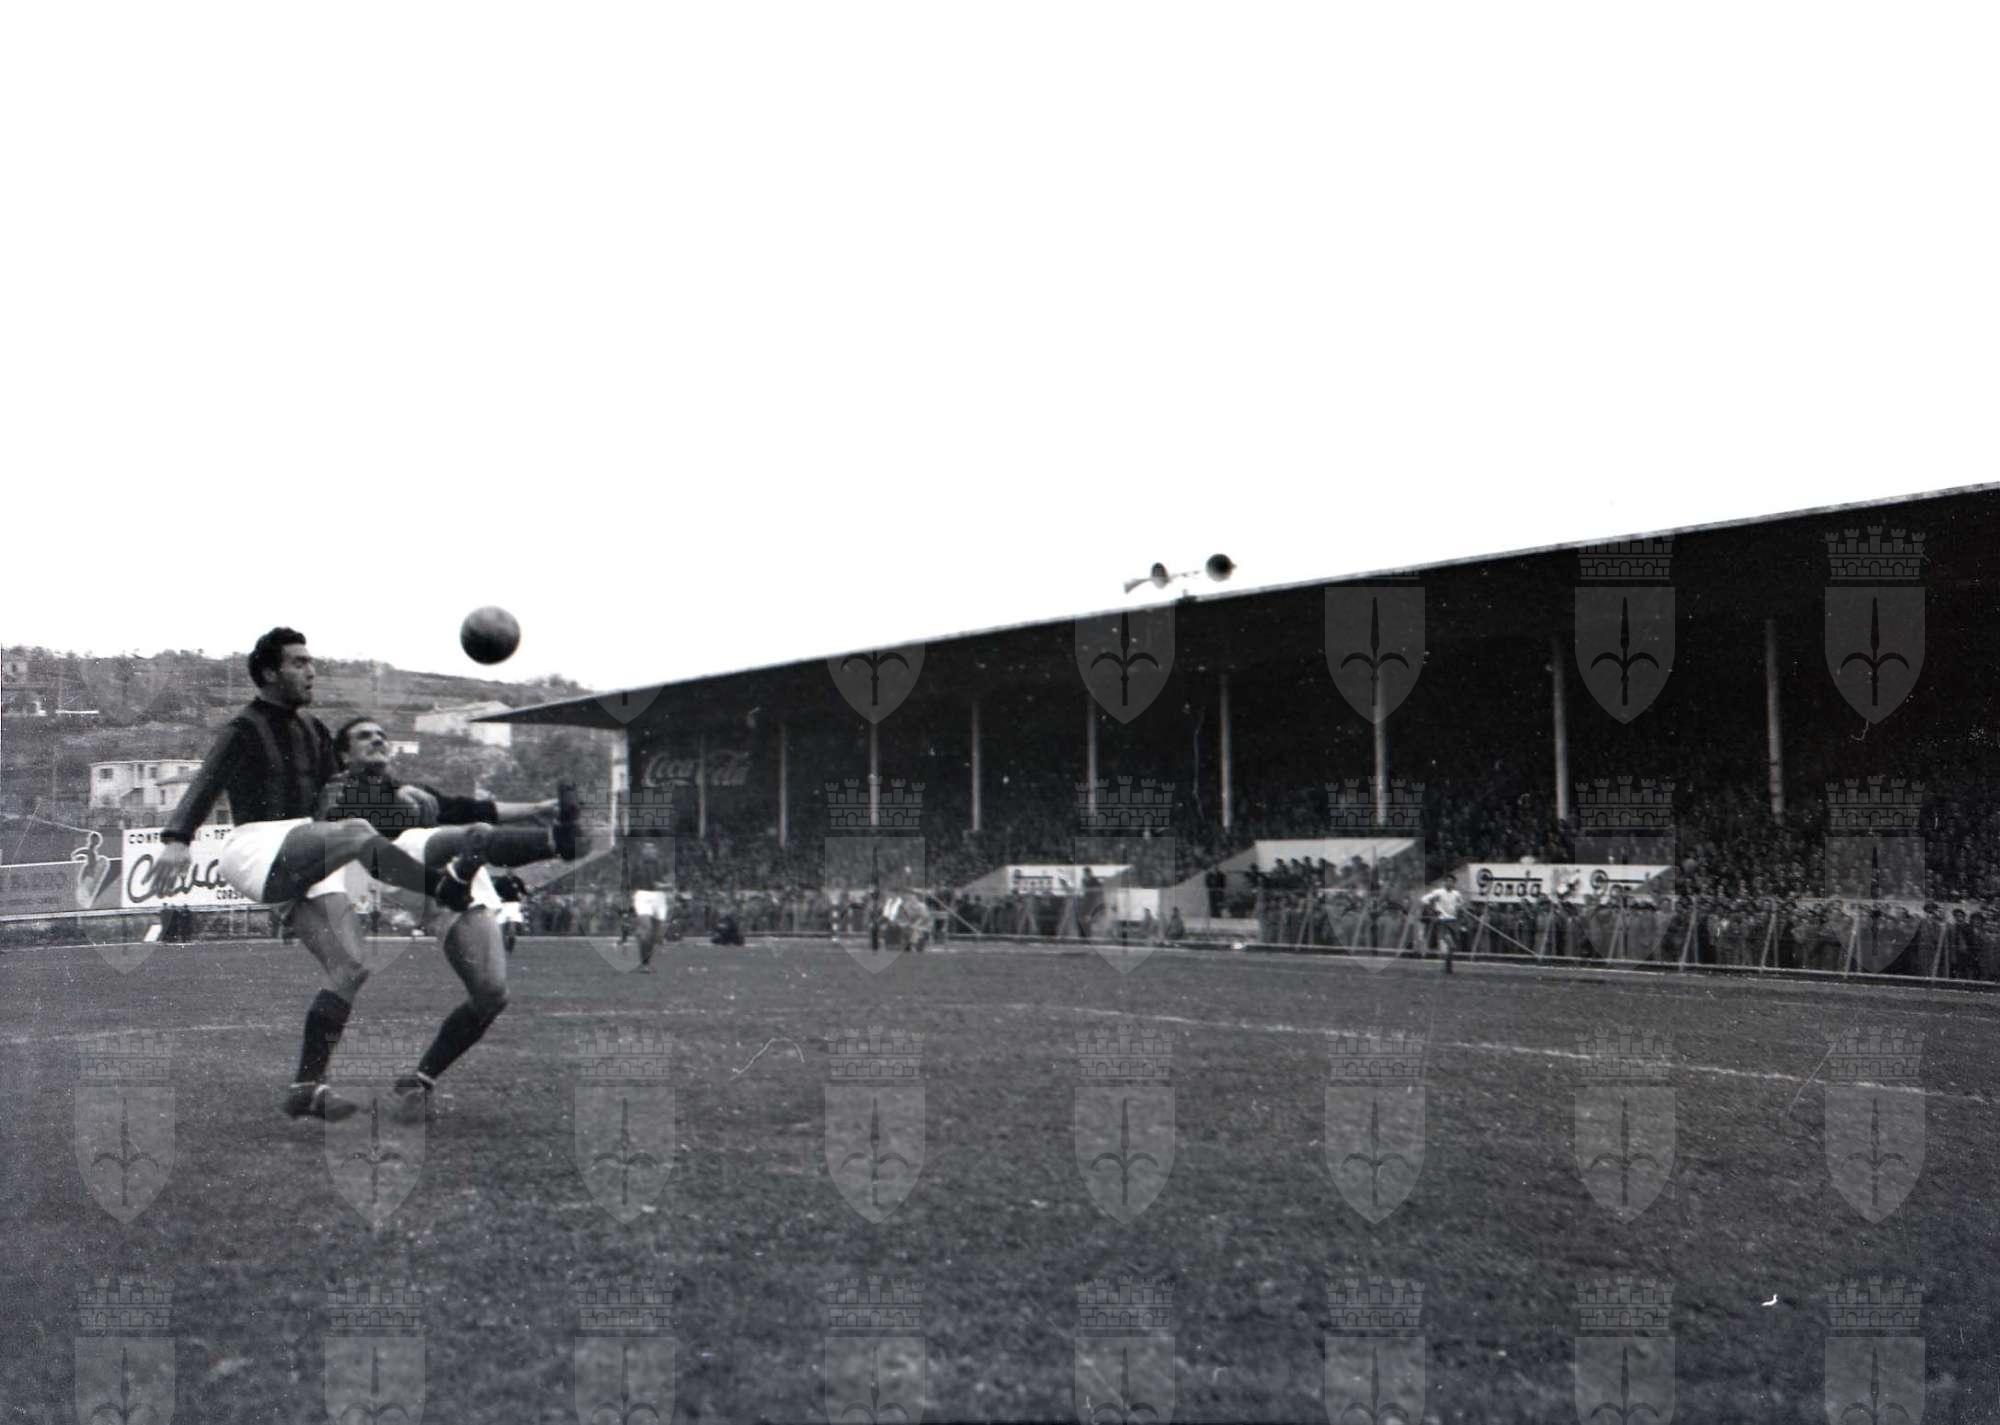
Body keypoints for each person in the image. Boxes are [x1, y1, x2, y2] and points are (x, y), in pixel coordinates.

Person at [145, 628, 489, 1122]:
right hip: (258, 844)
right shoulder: (243, 728)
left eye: (311, 662)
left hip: (311, 848)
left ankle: (306, 1087)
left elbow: (345, 786)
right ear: (269, 673)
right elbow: (207, 781)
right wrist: (177, 839)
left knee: (351, 968)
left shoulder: (314, 729)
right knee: (355, 832)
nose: (311, 671)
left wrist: (397, 791)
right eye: (299, 662)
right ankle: (444, 887)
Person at [318, 715, 585, 1118]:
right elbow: (337, 820)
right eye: (364, 736)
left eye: (382, 735)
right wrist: (390, 796)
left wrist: (540, 807)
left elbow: (476, 807)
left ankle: (420, 1080)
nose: (377, 740)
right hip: (400, 866)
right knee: (458, 834)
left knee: (492, 994)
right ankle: (554, 842)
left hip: (453, 880)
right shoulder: (339, 792)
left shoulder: (416, 792)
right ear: (343, 754)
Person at [1421, 877, 1464, 974]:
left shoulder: (1457, 894)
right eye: (1447, 881)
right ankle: (1447, 966)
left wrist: (1459, 909)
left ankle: (1448, 967)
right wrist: (1433, 911)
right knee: (1450, 944)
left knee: (1452, 947)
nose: (1449, 883)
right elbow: (1424, 900)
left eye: (1451, 882)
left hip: (1453, 921)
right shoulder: (1438, 892)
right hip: (1442, 921)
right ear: (1444, 882)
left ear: (1454, 884)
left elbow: (1461, 904)